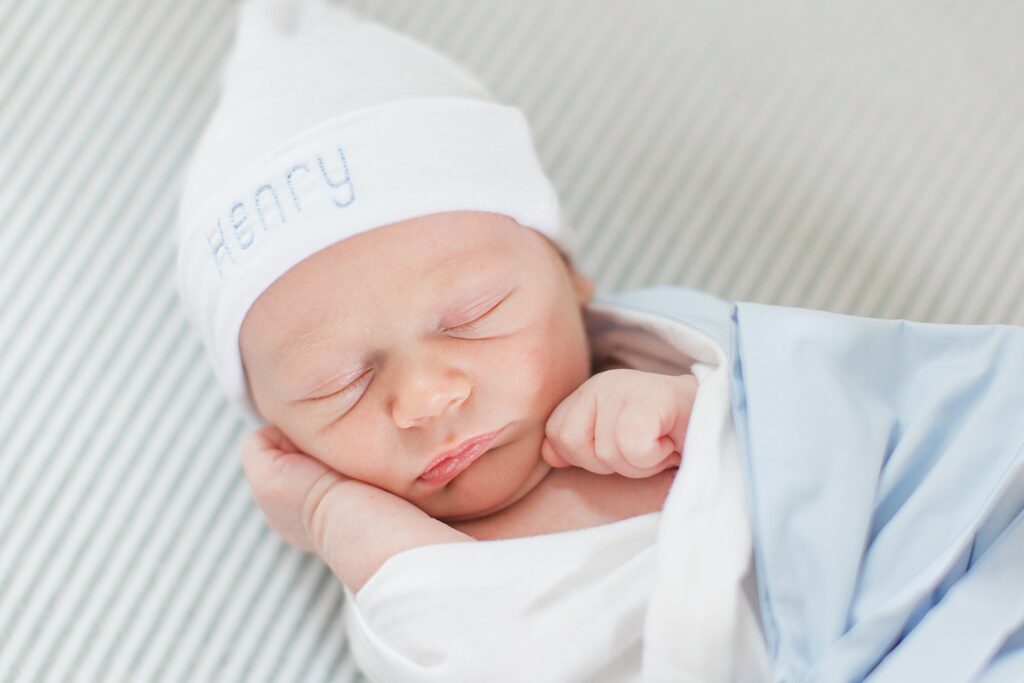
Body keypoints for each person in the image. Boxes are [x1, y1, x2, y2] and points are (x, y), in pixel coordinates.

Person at [176, 1, 1024, 681]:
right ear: (283, 434)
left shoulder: (683, 360)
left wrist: (705, 418)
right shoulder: (416, 581)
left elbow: (849, 422)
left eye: (473, 315)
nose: (427, 396)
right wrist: (332, 515)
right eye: (337, 384)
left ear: (569, 275)